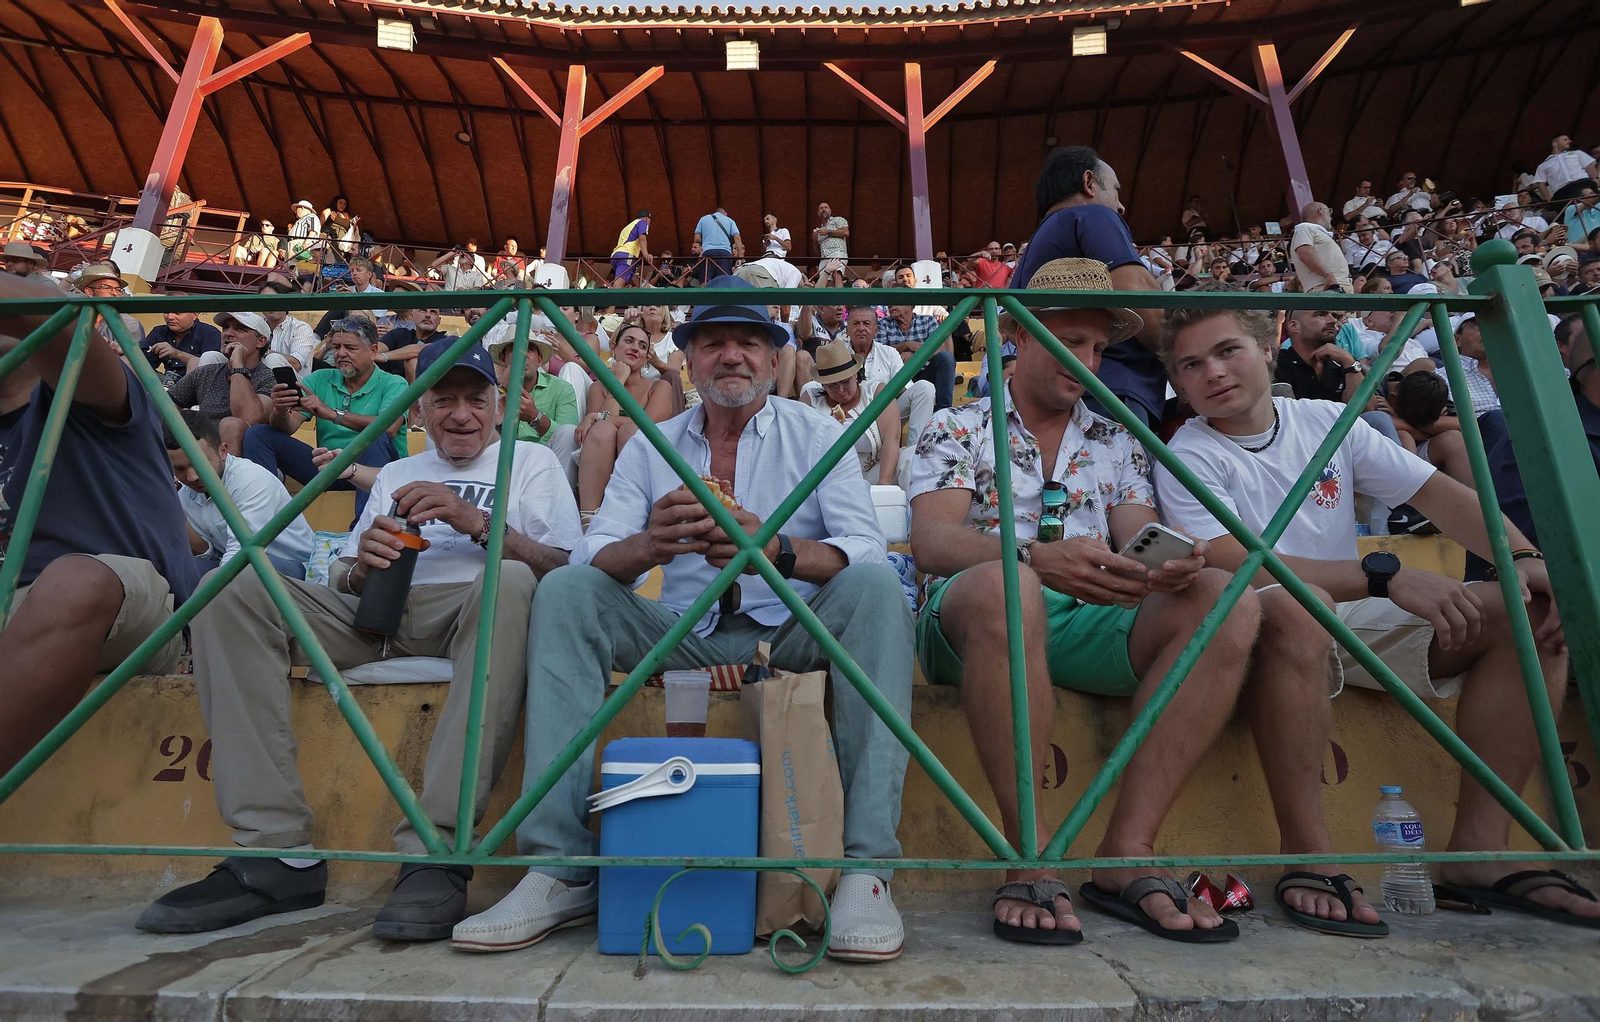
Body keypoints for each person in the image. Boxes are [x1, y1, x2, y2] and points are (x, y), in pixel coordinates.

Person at [454, 277, 911, 962]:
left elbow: (866, 548)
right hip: (679, 633)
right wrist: (651, 544)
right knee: (568, 592)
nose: (732, 356)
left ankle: (867, 872)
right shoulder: (651, 444)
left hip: (790, 634)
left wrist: (775, 549)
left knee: (876, 589)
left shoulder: (817, 435)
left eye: (749, 343)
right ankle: (557, 868)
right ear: (690, 358)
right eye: (714, 342)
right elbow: (593, 550)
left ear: (774, 356)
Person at [1155, 290, 1596, 934]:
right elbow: (1235, 561)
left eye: (1227, 351)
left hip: (1350, 615)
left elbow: (1439, 496)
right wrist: (1382, 578)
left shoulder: (1325, 420)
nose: (1213, 373)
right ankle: (1308, 853)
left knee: (1523, 615)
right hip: (1259, 625)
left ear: (1268, 343)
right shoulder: (1186, 452)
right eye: (1190, 366)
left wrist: (1522, 557)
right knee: (1299, 611)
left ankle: (1482, 851)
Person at [137, 338, 581, 939]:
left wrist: (475, 522)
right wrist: (362, 565)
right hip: (379, 614)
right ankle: (275, 854)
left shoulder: (531, 464)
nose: (459, 414)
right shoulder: (397, 471)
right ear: (418, 410)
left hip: (480, 612)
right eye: (441, 400)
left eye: (475, 399)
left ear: (498, 405)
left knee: (509, 579)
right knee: (230, 587)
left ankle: (436, 852)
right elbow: (340, 576)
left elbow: (564, 570)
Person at [908, 259, 1256, 946]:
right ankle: (1030, 858)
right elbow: (933, 543)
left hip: (1092, 617)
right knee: (1009, 587)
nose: (1088, 360)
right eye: (1071, 340)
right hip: (974, 617)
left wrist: (1171, 563)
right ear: (1019, 335)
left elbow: (1135, 537)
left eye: (1099, 346)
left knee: (1225, 598)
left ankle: (1127, 854)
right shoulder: (956, 426)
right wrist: (1031, 557)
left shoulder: (1115, 435)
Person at [0, 271, 200, 776]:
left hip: (129, 603)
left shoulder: (96, 388)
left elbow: (49, 316)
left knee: (75, 582)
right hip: (13, 608)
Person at [1009, 146, 1166, 430]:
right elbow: (1140, 298)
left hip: (1051, 400)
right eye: (1116, 191)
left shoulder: (1031, 254)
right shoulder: (1094, 215)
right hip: (1114, 392)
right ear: (1089, 183)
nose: (1121, 206)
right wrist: (1184, 364)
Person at [242, 316, 407, 523]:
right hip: (329, 468)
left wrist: (332, 414)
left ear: (373, 351)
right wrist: (280, 411)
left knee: (375, 435)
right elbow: (288, 426)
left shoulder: (393, 383)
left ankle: (365, 529)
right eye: (336, 347)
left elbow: (389, 428)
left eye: (350, 347)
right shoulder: (319, 378)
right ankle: (262, 520)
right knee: (258, 434)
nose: (341, 353)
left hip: (376, 472)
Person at [164, 408, 313, 578]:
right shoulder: (184, 494)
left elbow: (242, 554)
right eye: (179, 469)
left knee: (247, 568)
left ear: (223, 451)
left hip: (295, 569)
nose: (192, 477)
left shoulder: (251, 480)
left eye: (199, 463)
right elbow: (211, 555)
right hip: (233, 565)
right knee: (173, 569)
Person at [574, 323, 674, 521]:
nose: (635, 348)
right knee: (603, 430)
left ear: (647, 357)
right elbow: (598, 429)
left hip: (651, 464)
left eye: (642, 346)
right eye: (629, 341)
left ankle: (637, 514)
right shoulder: (599, 388)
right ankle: (590, 519)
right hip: (603, 458)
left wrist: (598, 417)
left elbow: (648, 425)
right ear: (614, 346)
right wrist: (617, 381)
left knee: (631, 431)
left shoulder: (660, 387)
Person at [809, 306, 936, 439]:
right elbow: (821, 387)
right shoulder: (837, 353)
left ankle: (915, 451)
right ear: (847, 330)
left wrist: (878, 392)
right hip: (847, 414)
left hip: (884, 412)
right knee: (809, 388)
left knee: (924, 388)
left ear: (876, 330)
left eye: (867, 323)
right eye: (856, 323)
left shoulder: (889, 353)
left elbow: (905, 387)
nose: (861, 328)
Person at [166, 311, 276, 452]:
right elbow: (166, 406)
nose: (228, 333)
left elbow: (249, 418)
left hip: (244, 461)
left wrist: (237, 366)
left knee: (232, 425)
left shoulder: (269, 378)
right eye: (225, 328)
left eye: (240, 329)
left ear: (260, 341)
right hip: (200, 450)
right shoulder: (206, 372)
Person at [804, 341, 908, 488]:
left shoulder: (875, 392)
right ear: (823, 385)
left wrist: (884, 483)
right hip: (828, 479)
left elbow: (891, 438)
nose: (840, 390)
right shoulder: (811, 399)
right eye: (832, 385)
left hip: (873, 471)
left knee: (909, 458)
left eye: (845, 382)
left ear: (855, 376)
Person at [484, 323, 579, 480]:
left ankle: (559, 501)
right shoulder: (489, 388)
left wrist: (535, 417)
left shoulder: (561, 388)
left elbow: (568, 438)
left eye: (529, 349)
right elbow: (477, 429)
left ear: (540, 359)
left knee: (569, 432)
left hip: (544, 461)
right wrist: (499, 391)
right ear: (503, 358)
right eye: (515, 349)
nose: (522, 354)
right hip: (498, 461)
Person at [877, 295, 956, 412]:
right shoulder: (882, 324)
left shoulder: (928, 320)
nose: (891, 305)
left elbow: (939, 349)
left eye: (896, 301)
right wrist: (906, 345)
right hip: (897, 378)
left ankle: (943, 411)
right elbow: (879, 351)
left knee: (946, 358)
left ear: (909, 305)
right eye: (889, 302)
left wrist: (915, 356)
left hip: (925, 372)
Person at [1433, 313, 1501, 416]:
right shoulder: (1441, 378)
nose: (1488, 329)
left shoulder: (1520, 371)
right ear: (1457, 340)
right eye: (1477, 324)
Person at [143, 305, 222, 379]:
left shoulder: (210, 334)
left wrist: (177, 354)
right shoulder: (159, 332)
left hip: (195, 386)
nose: (170, 317)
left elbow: (211, 369)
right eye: (166, 312)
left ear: (194, 314)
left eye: (177, 313)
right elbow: (143, 364)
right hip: (165, 383)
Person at [257, 279, 318, 374]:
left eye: (275, 300)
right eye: (265, 300)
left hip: (293, 385)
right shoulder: (254, 326)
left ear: (286, 302)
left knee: (273, 359)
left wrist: (261, 351)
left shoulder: (301, 328)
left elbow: (296, 364)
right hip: (258, 382)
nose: (270, 304)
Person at [1289, 202, 1351, 293]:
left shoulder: (1312, 230)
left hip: (1334, 285)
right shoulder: (1305, 227)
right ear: (1321, 211)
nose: (1331, 217)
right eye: (1329, 211)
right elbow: (1305, 254)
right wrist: (1327, 275)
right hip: (1326, 286)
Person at [1532, 134, 1599, 203]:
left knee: (1588, 195)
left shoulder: (1577, 153)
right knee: (1570, 210)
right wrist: (1549, 199)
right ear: (1555, 144)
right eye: (1565, 140)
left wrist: (1595, 179)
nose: (1569, 141)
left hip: (1582, 184)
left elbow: (1589, 167)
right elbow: (1541, 183)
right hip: (1562, 192)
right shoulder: (1543, 165)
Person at [691, 205, 741, 280]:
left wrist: (707, 241)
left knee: (705, 281)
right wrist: (739, 258)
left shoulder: (703, 219)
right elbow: (737, 238)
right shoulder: (730, 220)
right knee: (724, 282)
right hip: (724, 254)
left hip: (708, 253)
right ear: (725, 213)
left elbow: (696, 238)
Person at [609, 211, 652, 287]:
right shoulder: (642, 223)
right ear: (646, 219)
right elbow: (642, 239)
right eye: (649, 220)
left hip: (616, 255)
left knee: (636, 281)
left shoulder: (629, 226)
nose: (649, 223)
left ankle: (644, 295)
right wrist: (646, 255)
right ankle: (613, 298)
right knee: (618, 284)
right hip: (627, 255)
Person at [815, 202, 850, 287]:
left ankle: (840, 298)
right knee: (826, 281)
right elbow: (817, 252)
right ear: (818, 213)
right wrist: (814, 240)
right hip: (824, 258)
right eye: (821, 208)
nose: (823, 209)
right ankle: (827, 299)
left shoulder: (837, 220)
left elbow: (846, 232)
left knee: (836, 274)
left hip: (837, 252)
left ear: (830, 210)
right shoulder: (819, 229)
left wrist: (828, 232)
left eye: (826, 207)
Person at [286, 199, 322, 265]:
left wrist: (307, 242)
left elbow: (313, 230)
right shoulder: (302, 219)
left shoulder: (311, 217)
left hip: (300, 244)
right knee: (290, 266)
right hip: (294, 244)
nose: (295, 212)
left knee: (296, 266)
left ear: (302, 208)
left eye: (297, 209)